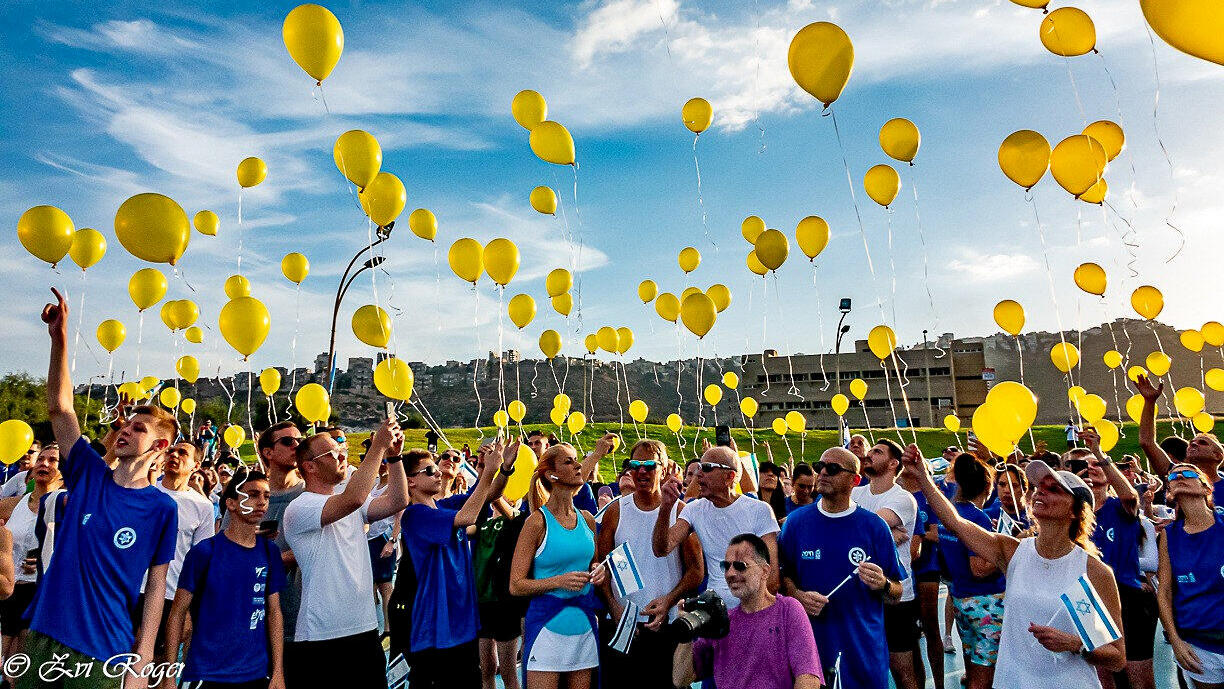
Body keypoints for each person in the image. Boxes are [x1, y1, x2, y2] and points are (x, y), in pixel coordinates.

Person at [24, 287, 179, 689]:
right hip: (45, 636)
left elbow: (157, 586)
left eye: (138, 429)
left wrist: (142, 665)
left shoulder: (163, 509)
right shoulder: (88, 474)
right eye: (125, 425)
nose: (125, 430)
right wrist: (59, 341)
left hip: (103, 653)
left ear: (160, 446)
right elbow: (61, 408)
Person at [901, 443, 1126, 688]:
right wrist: (923, 477)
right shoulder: (1014, 551)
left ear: (1075, 511)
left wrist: (1075, 644)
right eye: (1039, 487)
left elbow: (1116, 657)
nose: (1040, 492)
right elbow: (955, 522)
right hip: (1013, 682)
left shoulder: (1093, 571)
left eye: (1053, 489)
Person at [282, 417, 408, 688]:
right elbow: (353, 498)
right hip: (322, 636)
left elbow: (398, 500)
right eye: (333, 451)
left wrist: (395, 459)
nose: (342, 454)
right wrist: (377, 448)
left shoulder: (350, 503)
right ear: (310, 467)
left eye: (342, 448)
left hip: (364, 630)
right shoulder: (300, 508)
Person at [780, 447, 903, 689]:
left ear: (854, 480)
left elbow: (897, 592)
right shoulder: (796, 523)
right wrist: (797, 595)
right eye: (820, 467)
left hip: (863, 653)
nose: (823, 473)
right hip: (810, 650)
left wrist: (884, 585)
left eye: (833, 469)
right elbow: (783, 577)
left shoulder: (875, 527)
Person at [399, 441, 517, 689]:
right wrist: (487, 472)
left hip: (462, 622)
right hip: (436, 629)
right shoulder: (415, 516)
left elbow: (488, 494)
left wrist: (503, 468)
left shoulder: (443, 506)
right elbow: (468, 516)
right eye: (430, 471)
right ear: (411, 481)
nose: (439, 473)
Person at [595, 439, 703, 689]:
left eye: (649, 465)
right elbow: (602, 567)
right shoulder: (615, 511)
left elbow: (696, 571)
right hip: (624, 626)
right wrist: (614, 607)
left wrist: (670, 599)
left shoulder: (680, 511)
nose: (641, 471)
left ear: (664, 469)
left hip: (666, 626)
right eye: (635, 465)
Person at [164, 469, 286, 689]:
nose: (261, 502)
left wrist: (277, 671)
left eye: (266, 496)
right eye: (252, 494)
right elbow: (178, 612)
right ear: (231, 503)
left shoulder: (269, 552)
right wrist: (169, 675)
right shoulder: (205, 552)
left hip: (255, 672)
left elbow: (274, 612)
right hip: (207, 672)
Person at [510, 443, 607, 689]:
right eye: (569, 461)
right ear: (551, 475)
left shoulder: (586, 518)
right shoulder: (536, 522)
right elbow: (516, 585)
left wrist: (598, 570)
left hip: (584, 623)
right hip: (546, 626)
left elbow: (593, 561)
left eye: (577, 460)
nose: (577, 465)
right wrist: (558, 581)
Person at [673, 534, 824, 689]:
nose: (730, 574)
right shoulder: (721, 621)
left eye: (740, 566)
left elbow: (808, 679)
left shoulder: (788, 610)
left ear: (765, 571)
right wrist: (686, 634)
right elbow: (680, 679)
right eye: (726, 566)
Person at [652, 443, 779, 608]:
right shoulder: (694, 510)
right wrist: (665, 508)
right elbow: (661, 549)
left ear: (729, 476)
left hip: (751, 612)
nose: (698, 475)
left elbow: (773, 577)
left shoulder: (759, 510)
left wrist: (744, 614)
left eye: (706, 468)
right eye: (698, 469)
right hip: (714, 614)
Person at [1077, 427, 1156, 689]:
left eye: (1097, 465)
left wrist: (1099, 452)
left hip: (1128, 597)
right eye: (1086, 465)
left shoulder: (1119, 508)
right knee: (1103, 675)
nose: (1093, 467)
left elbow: (1130, 495)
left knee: (1138, 678)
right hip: (1088, 597)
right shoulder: (1075, 517)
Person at [851, 439, 920, 689]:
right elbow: (853, 531)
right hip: (860, 593)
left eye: (876, 452)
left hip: (895, 595)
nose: (868, 455)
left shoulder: (902, 499)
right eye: (869, 452)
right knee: (864, 667)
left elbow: (865, 529)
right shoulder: (855, 493)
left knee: (903, 672)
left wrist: (877, 533)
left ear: (893, 463)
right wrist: (888, 535)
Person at [935, 453, 1005, 689]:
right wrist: (1007, 551)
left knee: (972, 666)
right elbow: (980, 568)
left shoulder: (951, 515)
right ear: (987, 486)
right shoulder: (977, 517)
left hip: (961, 597)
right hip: (986, 602)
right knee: (985, 674)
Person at [1157, 462, 1224, 688]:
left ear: (1207, 489)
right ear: (1169, 493)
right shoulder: (1169, 534)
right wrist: (1175, 641)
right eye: (1173, 477)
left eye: (1188, 473)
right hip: (1199, 644)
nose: (1179, 477)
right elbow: (1164, 591)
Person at [146, 441, 215, 654]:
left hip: (171, 595)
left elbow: (201, 562)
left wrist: (187, 609)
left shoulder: (203, 506)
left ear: (196, 465)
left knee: (157, 666)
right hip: (132, 590)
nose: (174, 455)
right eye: (171, 451)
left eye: (182, 453)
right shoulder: (145, 492)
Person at [0, 442, 60, 685]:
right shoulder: (15, 503)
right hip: (8, 591)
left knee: (21, 667)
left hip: (41, 592)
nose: (44, 463)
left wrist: (49, 558)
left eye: (53, 460)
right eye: (41, 458)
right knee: (5, 663)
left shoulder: (68, 506)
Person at [1136, 374, 1224, 508]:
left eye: (1203, 443)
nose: (1193, 444)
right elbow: (1147, 442)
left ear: (1217, 456)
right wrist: (1149, 401)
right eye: (1191, 442)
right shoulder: (1177, 475)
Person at [897, 460, 944, 689]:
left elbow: (936, 535)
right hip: (903, 572)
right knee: (910, 635)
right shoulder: (894, 494)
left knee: (930, 627)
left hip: (926, 568)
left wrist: (915, 535)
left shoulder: (928, 498)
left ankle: (940, 683)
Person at [367, 458, 400, 638]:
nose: (382, 464)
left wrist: (392, 540)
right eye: (380, 461)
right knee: (370, 583)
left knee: (385, 584)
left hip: (383, 538)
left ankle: (389, 628)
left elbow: (399, 517)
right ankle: (373, 624)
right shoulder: (375, 485)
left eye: (385, 461)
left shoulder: (393, 487)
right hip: (369, 539)